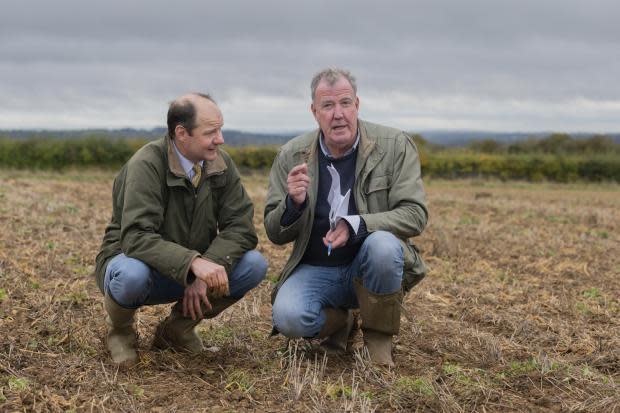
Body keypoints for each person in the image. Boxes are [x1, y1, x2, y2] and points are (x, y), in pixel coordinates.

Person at [264, 68, 428, 366]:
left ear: (357, 105)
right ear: (315, 112)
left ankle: (379, 340)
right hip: (316, 269)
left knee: (383, 245)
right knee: (288, 317)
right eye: (327, 106)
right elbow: (275, 234)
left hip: (368, 267)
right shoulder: (291, 155)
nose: (338, 114)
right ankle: (340, 323)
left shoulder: (395, 146)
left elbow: (415, 215)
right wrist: (294, 204)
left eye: (345, 103)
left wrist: (359, 224)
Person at [95, 93, 267, 366]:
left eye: (220, 130)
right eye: (211, 132)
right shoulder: (147, 164)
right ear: (182, 133)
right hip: (136, 265)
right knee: (131, 275)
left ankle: (177, 330)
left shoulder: (221, 165)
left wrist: (205, 266)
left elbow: (241, 227)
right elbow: (135, 237)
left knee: (254, 264)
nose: (220, 139)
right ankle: (121, 332)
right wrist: (192, 264)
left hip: (188, 269)